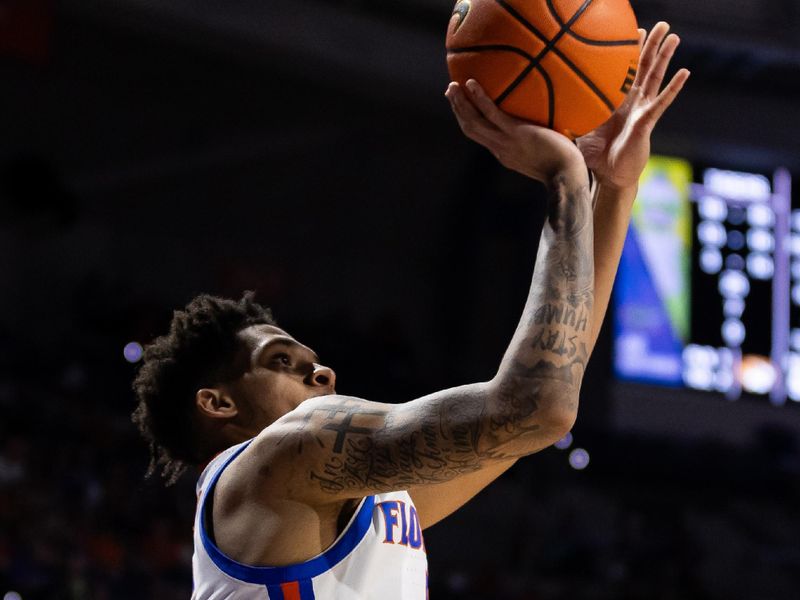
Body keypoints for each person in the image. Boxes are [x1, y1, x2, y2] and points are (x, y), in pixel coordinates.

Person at [132, 23, 689, 600]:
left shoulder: (351, 500)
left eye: (309, 361)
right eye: (282, 361)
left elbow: (541, 406)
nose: (321, 373)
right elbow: (538, 407)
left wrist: (614, 187)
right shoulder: (284, 451)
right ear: (218, 402)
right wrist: (566, 179)